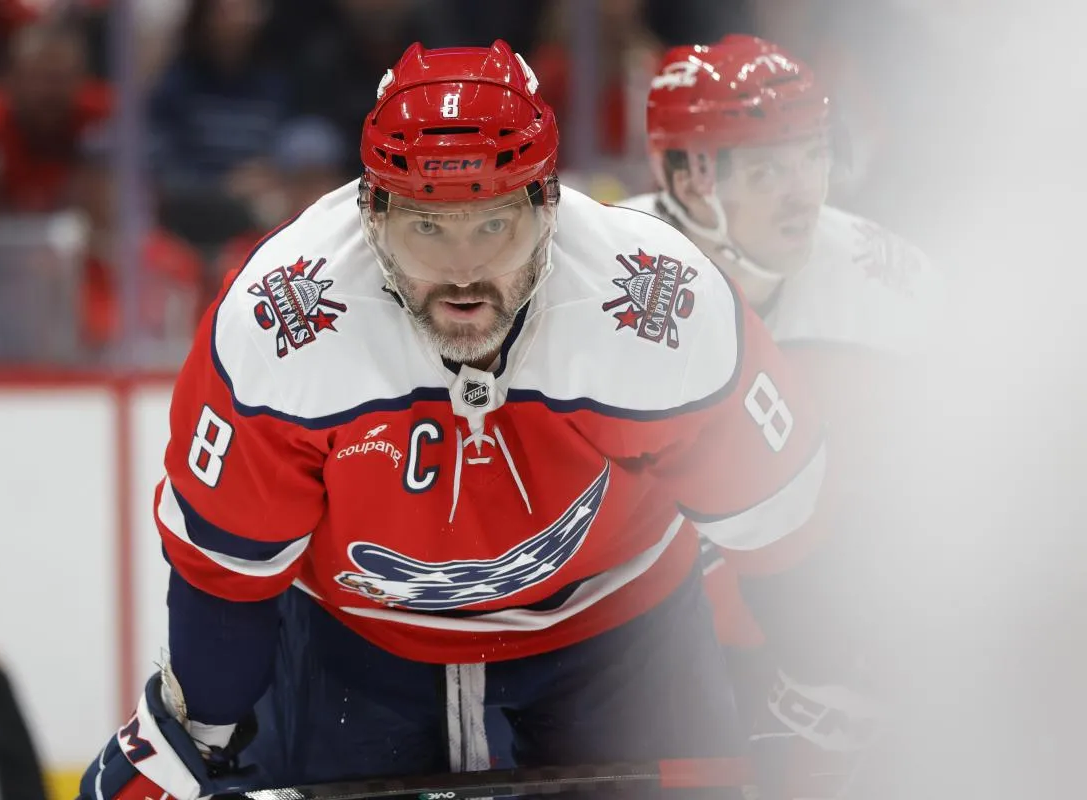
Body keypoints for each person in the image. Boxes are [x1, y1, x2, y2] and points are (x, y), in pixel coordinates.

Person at [80, 40, 830, 800]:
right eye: (428, 229)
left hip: (618, 628)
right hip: (358, 641)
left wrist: (830, 681)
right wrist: (191, 738)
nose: (464, 272)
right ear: (371, 214)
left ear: (548, 206)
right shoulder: (282, 320)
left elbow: (777, 523)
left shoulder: (656, 305)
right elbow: (226, 574)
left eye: (493, 226)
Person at [619, 33, 944, 791]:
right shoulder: (603, 273)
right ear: (682, 176)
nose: (803, 191)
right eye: (768, 168)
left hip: (838, 644)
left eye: (810, 156)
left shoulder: (889, 284)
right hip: (653, 649)